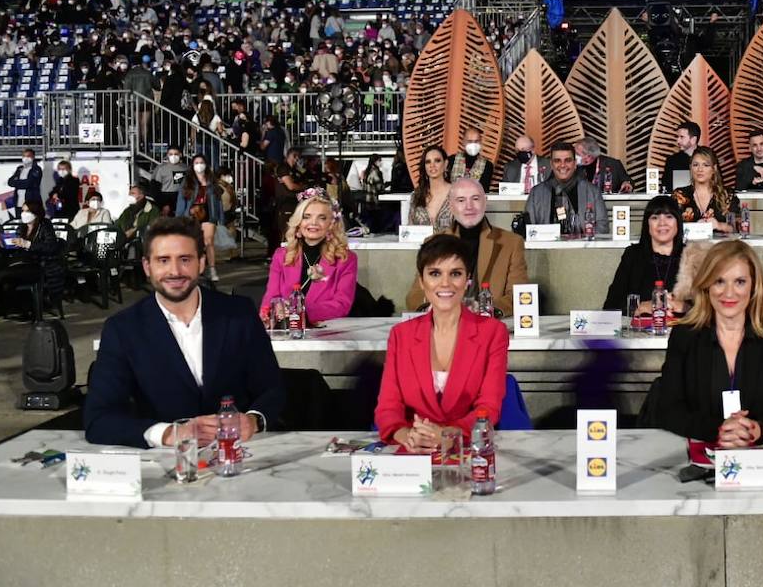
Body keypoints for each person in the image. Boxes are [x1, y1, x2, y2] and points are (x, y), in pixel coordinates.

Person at [84, 218, 284, 448]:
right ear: (147, 266)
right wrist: (169, 433)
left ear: (201, 263)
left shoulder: (239, 313)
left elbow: (273, 389)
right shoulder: (122, 329)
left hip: (240, 454)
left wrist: (253, 420)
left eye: (185, 259)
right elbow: (98, 419)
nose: (175, 271)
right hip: (167, 465)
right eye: (163, 260)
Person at [652, 241, 763, 447]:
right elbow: (669, 409)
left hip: (762, 456)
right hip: (698, 457)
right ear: (707, 286)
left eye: (740, 282)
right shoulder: (684, 335)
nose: (729, 293)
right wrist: (720, 430)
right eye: (719, 281)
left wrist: (758, 429)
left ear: (754, 286)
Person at [375, 234, 510, 446]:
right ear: (421, 281)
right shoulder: (401, 335)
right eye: (435, 273)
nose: (445, 283)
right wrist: (406, 436)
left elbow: (489, 407)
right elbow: (388, 407)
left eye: (455, 273)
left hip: (468, 448)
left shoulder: (493, 332)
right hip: (413, 450)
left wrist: (447, 435)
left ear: (467, 281)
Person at [405, 178, 527, 316]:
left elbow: (520, 295)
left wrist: (486, 310)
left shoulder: (511, 242)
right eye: (461, 200)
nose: (469, 206)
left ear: (484, 202)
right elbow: (414, 297)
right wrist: (434, 307)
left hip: (488, 327)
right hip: (444, 324)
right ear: (451, 205)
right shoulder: (433, 243)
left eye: (475, 199)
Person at [261, 191, 357, 323]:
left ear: (331, 224)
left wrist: (301, 312)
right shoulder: (281, 255)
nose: (313, 223)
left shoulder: (346, 259)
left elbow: (342, 305)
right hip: (284, 331)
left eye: (322, 218)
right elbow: (270, 298)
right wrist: (270, 312)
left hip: (324, 334)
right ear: (299, 223)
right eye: (307, 217)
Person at [603, 195, 686, 313]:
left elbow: (709, 307)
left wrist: (684, 307)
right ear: (647, 225)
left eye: (669, 216)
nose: (662, 223)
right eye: (655, 217)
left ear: (678, 222)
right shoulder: (632, 255)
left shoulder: (692, 256)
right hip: (640, 329)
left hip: (680, 329)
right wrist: (640, 307)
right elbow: (611, 306)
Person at [524, 142, 606, 228]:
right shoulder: (536, 193)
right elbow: (529, 228)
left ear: (575, 164)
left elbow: (602, 226)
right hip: (546, 241)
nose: (562, 165)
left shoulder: (592, 191)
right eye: (557, 161)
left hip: (582, 241)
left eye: (568, 160)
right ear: (551, 165)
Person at [175, 154, 225, 283]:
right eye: (196, 162)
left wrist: (221, 218)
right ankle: (196, 269)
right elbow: (181, 200)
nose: (199, 165)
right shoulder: (187, 182)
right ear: (192, 165)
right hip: (191, 214)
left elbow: (218, 200)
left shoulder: (212, 181)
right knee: (194, 242)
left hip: (209, 213)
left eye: (201, 162)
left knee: (209, 241)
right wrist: (179, 217)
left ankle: (212, 269)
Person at [673, 147, 739, 233]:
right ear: (691, 168)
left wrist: (719, 225)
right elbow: (671, 227)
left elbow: (737, 229)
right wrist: (695, 227)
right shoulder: (679, 195)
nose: (700, 169)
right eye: (696, 165)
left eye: (706, 165)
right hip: (689, 246)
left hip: (721, 246)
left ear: (714, 169)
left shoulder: (728, 195)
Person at [409, 145, 452, 227]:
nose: (432, 165)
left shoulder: (457, 193)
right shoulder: (416, 196)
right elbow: (410, 229)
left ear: (445, 164)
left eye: (437, 161)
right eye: (428, 162)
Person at [447, 125, 494, 191]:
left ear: (480, 142)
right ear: (463, 142)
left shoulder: (488, 165)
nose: (473, 144)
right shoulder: (451, 160)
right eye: (470, 141)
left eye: (476, 141)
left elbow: (484, 191)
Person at [663, 121, 701, 191]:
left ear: (693, 139)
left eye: (682, 137)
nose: (678, 141)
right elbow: (666, 187)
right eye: (677, 137)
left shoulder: (707, 157)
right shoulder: (672, 160)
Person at [152, 146, 187, 213]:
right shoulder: (160, 168)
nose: (173, 156)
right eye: (170, 154)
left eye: (176, 154)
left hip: (181, 197)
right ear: (167, 155)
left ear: (180, 154)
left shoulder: (186, 168)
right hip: (165, 197)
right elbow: (154, 188)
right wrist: (163, 203)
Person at [6, 148, 42, 215]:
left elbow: (29, 183)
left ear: (33, 157)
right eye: (24, 156)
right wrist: (21, 183)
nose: (26, 158)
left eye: (28, 156)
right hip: (19, 201)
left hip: (31, 202)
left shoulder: (36, 169)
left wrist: (17, 182)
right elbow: (10, 182)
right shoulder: (20, 168)